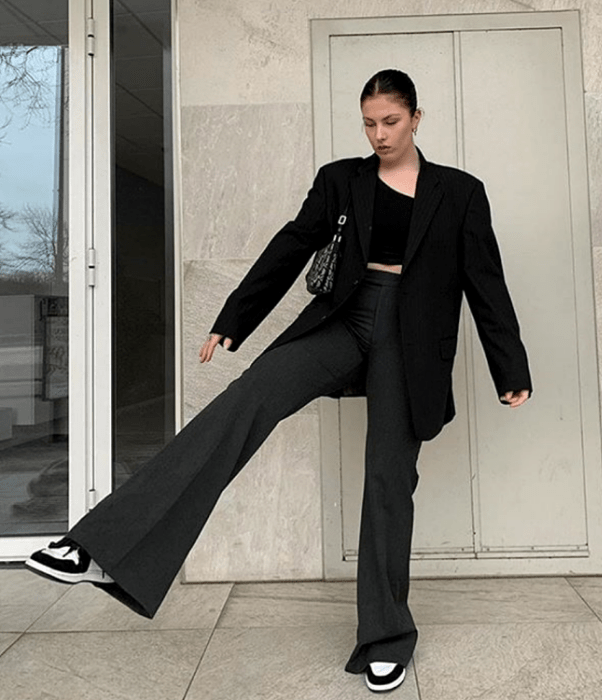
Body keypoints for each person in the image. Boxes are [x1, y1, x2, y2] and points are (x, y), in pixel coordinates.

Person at [25, 68, 532, 693]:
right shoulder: (341, 180)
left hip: (413, 341)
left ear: (417, 119)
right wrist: (236, 318)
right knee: (245, 402)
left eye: (391, 122)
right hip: (345, 319)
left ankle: (386, 637)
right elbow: (292, 246)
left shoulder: (459, 192)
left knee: (388, 478)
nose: (379, 134)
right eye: (369, 123)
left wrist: (510, 366)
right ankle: (99, 545)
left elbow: (486, 281)